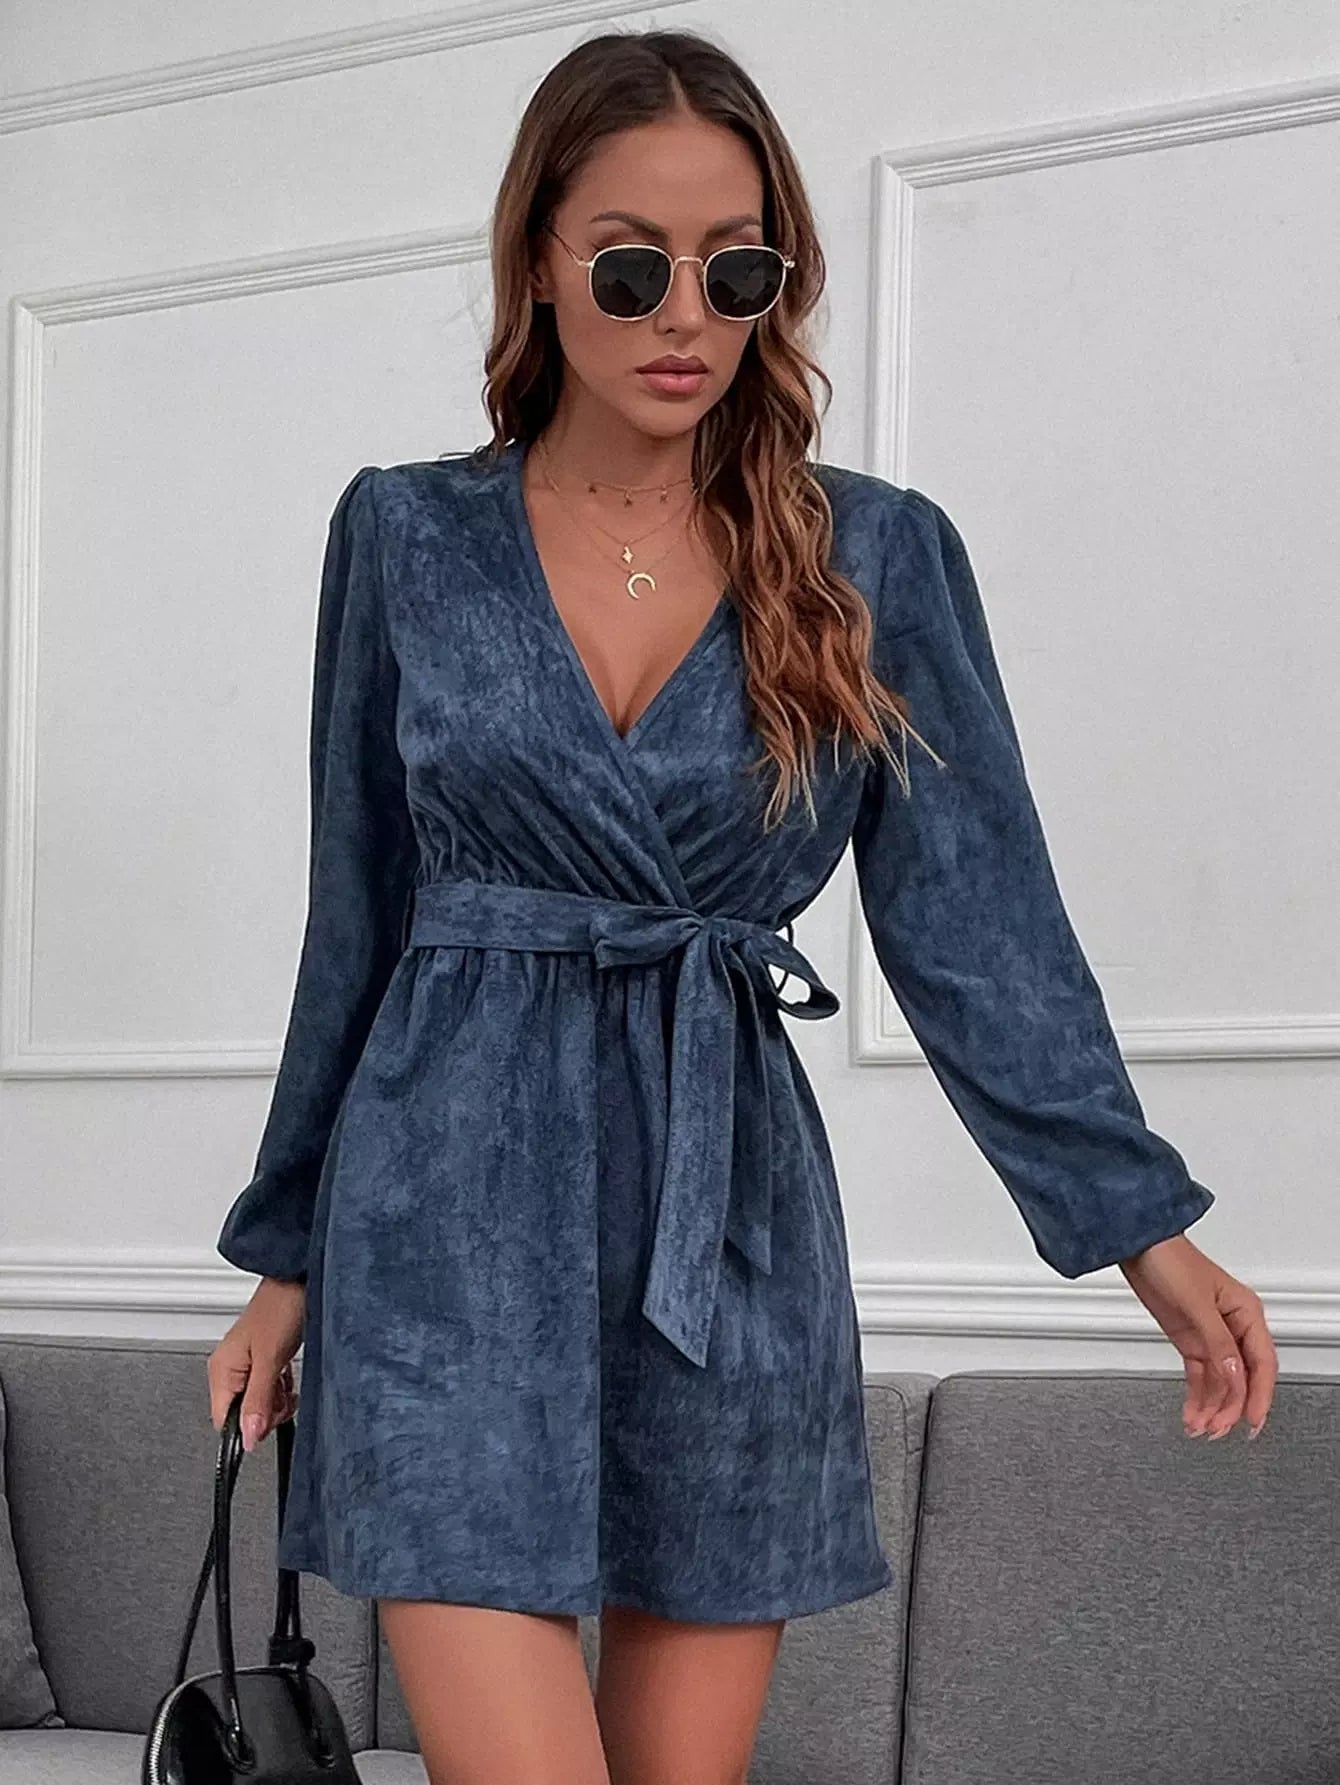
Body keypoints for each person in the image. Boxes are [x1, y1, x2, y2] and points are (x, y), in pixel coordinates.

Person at [206, 26, 1277, 1785]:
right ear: (539, 262)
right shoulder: (405, 538)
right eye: (632, 267)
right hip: (445, 1215)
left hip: (727, 1230)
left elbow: (979, 925)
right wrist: (286, 1261)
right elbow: (359, 913)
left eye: (738, 268)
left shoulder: (875, 555)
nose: (686, 317)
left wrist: (1141, 1229)